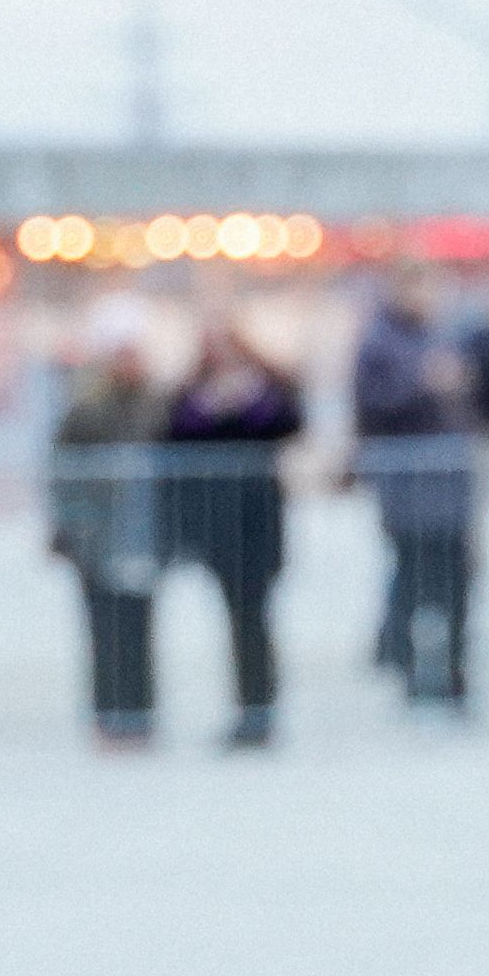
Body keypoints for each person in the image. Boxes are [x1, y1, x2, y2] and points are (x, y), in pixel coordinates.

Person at [162, 317, 306, 750]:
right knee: (238, 617)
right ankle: (250, 704)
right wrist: (210, 408)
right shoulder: (190, 395)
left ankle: (260, 705)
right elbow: (174, 433)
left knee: (255, 616)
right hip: (217, 523)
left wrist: (249, 402)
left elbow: (289, 422)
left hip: (259, 520)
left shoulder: (267, 388)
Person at [351, 270, 479, 710]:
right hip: (407, 489)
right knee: (413, 579)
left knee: (456, 580)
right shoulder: (379, 344)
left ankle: (453, 672)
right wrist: (422, 385)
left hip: (450, 485)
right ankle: (412, 671)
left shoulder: (446, 336)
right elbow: (371, 407)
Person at [53, 314, 173, 748]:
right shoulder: (85, 407)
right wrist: (68, 529)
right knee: (103, 628)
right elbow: (64, 471)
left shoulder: (160, 403)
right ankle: (108, 714)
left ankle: (141, 713)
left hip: (143, 530)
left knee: (140, 624)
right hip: (95, 534)